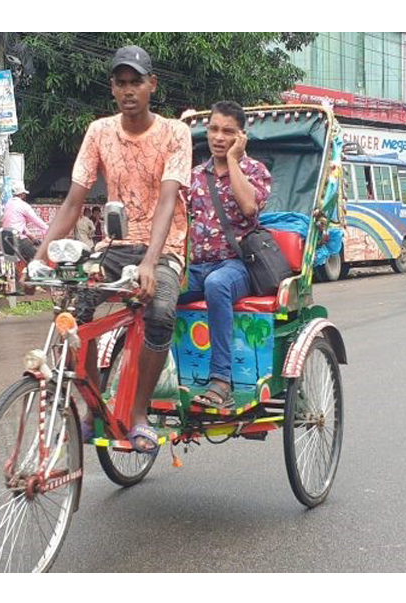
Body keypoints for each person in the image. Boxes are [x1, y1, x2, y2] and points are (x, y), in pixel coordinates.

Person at [30, 44, 191, 453]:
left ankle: (138, 414)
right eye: (120, 84)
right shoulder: (99, 131)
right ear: (113, 89)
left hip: (164, 246)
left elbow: (168, 201)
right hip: (115, 244)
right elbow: (73, 201)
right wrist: (39, 255)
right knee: (74, 309)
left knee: (159, 311)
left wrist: (152, 263)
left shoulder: (176, 133)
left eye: (135, 82)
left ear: (151, 85)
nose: (128, 90)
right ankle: (93, 405)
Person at [179, 101, 272, 408]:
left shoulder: (255, 170)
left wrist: (234, 160)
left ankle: (222, 381)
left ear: (241, 136)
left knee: (216, 285)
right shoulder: (194, 176)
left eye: (228, 132)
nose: (219, 137)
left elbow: (249, 207)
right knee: (157, 290)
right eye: (214, 129)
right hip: (198, 266)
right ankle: (163, 374)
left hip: (238, 267)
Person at [0, 180, 47, 261]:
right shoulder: (23, 205)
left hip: (6, 240)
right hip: (18, 240)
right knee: (39, 256)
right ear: (22, 195)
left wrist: (31, 236)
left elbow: (18, 224)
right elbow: (37, 221)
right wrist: (48, 229)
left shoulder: (7, 204)